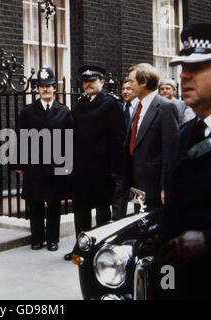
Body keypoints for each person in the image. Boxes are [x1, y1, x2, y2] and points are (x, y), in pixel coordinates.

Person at [150, 21, 211, 300]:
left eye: (197, 68)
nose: (184, 76)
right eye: (183, 68)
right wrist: (164, 285)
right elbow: (172, 222)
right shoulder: (184, 135)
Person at [64, 65, 126, 261]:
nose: (88, 84)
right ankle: (81, 249)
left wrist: (116, 168)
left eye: (92, 80)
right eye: (85, 81)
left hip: (101, 168)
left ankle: (99, 249)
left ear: (102, 82)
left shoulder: (110, 103)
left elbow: (118, 138)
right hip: (81, 168)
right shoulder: (80, 103)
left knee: (101, 210)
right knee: (80, 209)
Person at [15, 67, 73, 252]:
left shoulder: (64, 112)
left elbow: (69, 141)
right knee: (35, 202)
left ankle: (53, 239)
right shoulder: (27, 112)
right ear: (37, 89)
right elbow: (21, 138)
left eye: (49, 86)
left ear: (55, 88)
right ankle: (37, 238)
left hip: (55, 165)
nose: (45, 90)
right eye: (42, 87)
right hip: (34, 165)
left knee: (54, 203)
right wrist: (19, 163)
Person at [124, 63, 179, 212]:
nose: (128, 85)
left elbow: (171, 151)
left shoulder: (165, 107)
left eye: (132, 81)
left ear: (144, 83)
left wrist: (165, 186)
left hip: (155, 189)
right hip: (137, 185)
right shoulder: (137, 106)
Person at [111, 78, 140, 220]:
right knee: (119, 196)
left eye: (129, 89)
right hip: (122, 162)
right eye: (123, 89)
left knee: (138, 199)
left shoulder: (141, 108)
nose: (125, 92)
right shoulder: (118, 107)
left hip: (138, 161)